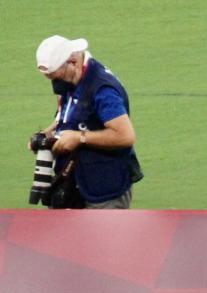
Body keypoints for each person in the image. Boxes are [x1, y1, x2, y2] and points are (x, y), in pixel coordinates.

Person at [33, 35, 140, 209]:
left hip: (104, 189)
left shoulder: (102, 90)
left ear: (73, 62)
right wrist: (50, 133)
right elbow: (66, 113)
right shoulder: (72, 78)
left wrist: (79, 138)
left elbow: (125, 136)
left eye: (57, 78)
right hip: (74, 184)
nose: (55, 84)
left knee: (104, 237)